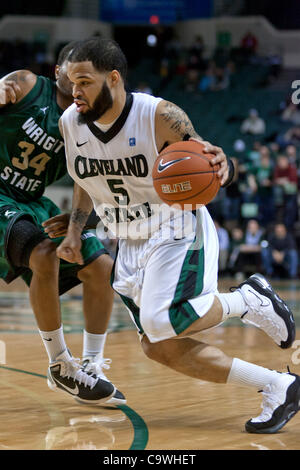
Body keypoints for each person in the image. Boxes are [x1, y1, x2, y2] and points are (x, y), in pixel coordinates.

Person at [57, 37, 298, 434]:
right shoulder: (72, 122)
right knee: (158, 345)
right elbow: (86, 176)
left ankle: (245, 300)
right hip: (128, 239)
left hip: (177, 227)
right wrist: (75, 230)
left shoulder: (159, 116)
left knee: (160, 319)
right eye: (71, 82)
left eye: (84, 82)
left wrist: (228, 166)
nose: (74, 91)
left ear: (113, 79)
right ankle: (278, 385)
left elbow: (209, 165)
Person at [0, 41, 125, 405]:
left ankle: (92, 365)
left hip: (31, 200)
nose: (77, 83)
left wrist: (75, 229)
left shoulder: (86, 119)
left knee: (102, 267)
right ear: (57, 73)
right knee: (43, 254)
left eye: (86, 78)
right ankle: (59, 364)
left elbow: (85, 179)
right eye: (72, 75)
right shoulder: (25, 84)